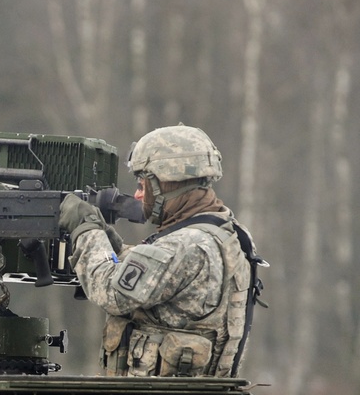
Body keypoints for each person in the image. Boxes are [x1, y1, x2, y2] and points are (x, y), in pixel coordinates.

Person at [58, 124, 263, 377]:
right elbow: (158, 278)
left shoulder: (185, 245)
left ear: (166, 185)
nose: (136, 194)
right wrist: (109, 241)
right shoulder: (225, 232)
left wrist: (85, 230)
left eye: (143, 185)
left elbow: (111, 292)